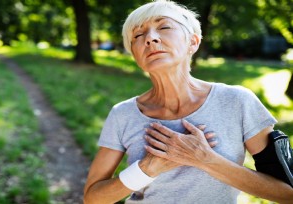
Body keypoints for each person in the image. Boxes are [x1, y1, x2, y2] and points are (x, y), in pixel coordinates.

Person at [83, 0, 293, 203]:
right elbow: (93, 198)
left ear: (192, 42)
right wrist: (147, 168)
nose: (150, 38)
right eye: (138, 35)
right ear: (135, 54)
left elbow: (287, 193)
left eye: (164, 26)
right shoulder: (122, 114)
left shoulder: (238, 101)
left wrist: (205, 159)